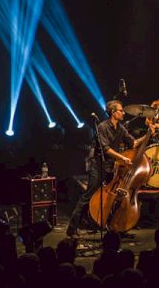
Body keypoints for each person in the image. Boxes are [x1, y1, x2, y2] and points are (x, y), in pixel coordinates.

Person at [66, 100, 154, 237]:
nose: (123, 112)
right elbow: (106, 149)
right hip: (99, 165)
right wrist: (122, 158)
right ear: (113, 112)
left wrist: (148, 134)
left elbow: (134, 143)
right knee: (88, 195)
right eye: (120, 110)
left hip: (113, 167)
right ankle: (72, 227)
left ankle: (115, 228)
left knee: (116, 197)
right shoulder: (102, 127)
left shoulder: (120, 128)